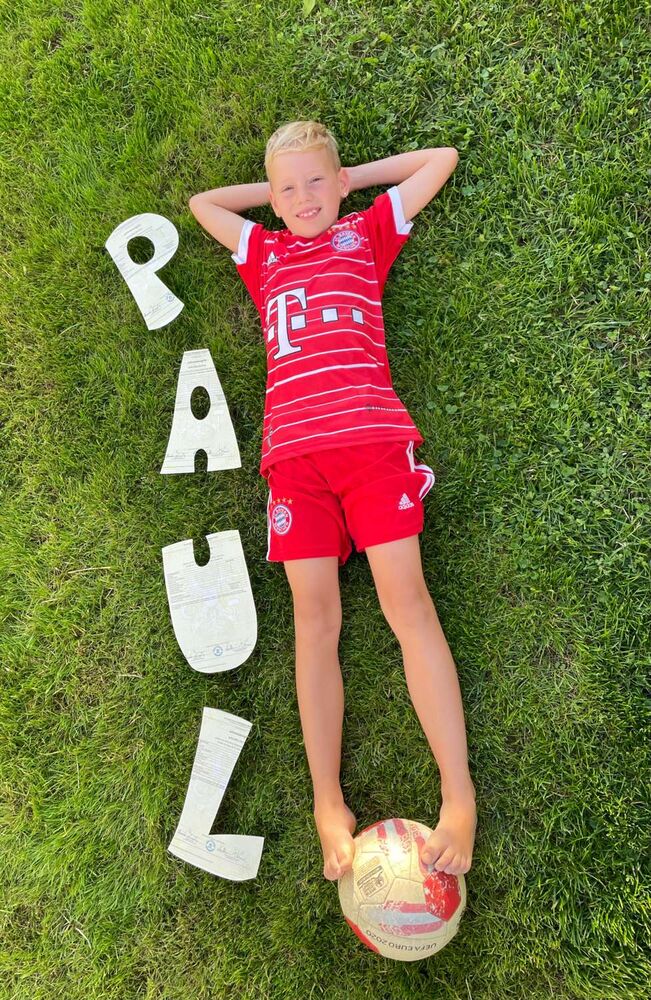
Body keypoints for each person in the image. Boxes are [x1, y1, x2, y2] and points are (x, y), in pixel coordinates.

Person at [189, 120, 476, 881]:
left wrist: (350, 178)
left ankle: (458, 794)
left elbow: (438, 160)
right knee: (314, 622)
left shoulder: (365, 235)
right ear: (272, 199)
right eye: (288, 189)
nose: (303, 197)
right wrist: (279, 190)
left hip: (372, 446)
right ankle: (327, 801)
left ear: (342, 184)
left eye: (318, 181)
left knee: (407, 605)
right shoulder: (264, 253)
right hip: (295, 466)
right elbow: (204, 204)